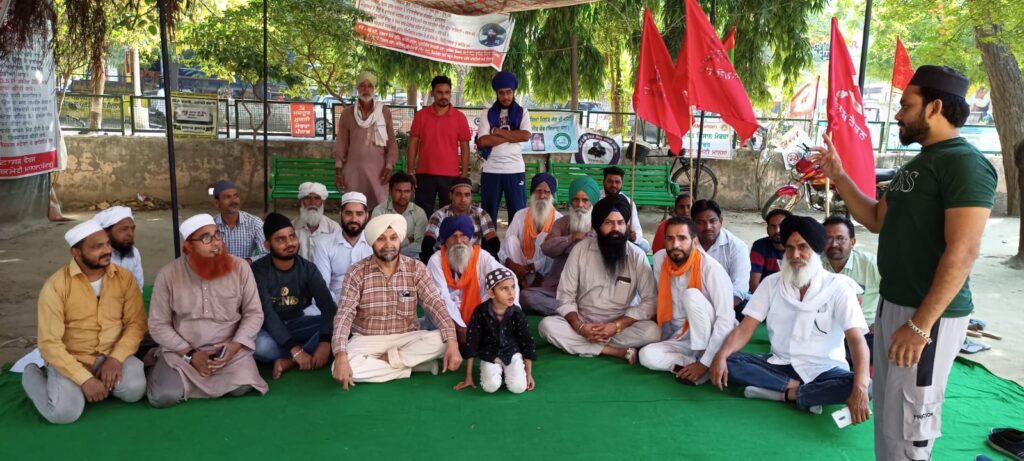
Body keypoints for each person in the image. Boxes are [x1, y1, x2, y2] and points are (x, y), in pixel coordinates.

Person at [811, 65, 997, 460]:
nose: (897, 114)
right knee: (890, 417)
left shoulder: (964, 164)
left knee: (910, 427)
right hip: (895, 306)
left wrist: (920, 326)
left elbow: (963, 252)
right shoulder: (916, 164)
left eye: (906, 105)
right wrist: (838, 174)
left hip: (927, 315)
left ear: (935, 107)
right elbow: (876, 219)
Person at [709, 216, 871, 419]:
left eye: (803, 247)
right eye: (790, 248)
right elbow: (745, 328)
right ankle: (807, 393)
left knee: (867, 386)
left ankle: (785, 394)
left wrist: (861, 387)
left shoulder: (838, 287)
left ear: (816, 250)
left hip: (825, 369)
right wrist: (722, 355)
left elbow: (857, 340)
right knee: (731, 361)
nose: (795, 255)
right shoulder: (771, 283)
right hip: (780, 364)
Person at [22, 221, 147, 424]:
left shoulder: (124, 279)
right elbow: (49, 343)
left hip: (111, 353)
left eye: (107, 244)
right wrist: (84, 379)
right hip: (72, 358)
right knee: (64, 413)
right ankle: (31, 374)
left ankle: (98, 382)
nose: (107, 250)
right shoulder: (56, 286)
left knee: (134, 390)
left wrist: (115, 359)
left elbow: (136, 324)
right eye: (97, 247)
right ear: (77, 253)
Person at [146, 214, 268, 408]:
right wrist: (190, 355)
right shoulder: (168, 275)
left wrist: (235, 345)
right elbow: (158, 324)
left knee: (242, 387)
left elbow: (254, 313)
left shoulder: (240, 268)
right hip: (183, 353)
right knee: (163, 397)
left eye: (217, 235)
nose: (216, 243)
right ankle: (158, 364)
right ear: (189, 246)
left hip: (228, 353)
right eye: (206, 238)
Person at [330, 214, 463, 389]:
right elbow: (344, 315)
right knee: (341, 367)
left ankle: (387, 363)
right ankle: (411, 367)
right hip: (367, 339)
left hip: (406, 337)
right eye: (381, 239)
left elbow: (435, 304)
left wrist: (452, 341)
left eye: (393, 238)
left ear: (399, 240)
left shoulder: (416, 269)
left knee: (443, 341)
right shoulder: (356, 272)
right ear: (372, 242)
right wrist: (340, 355)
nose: (388, 245)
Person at [538, 194, 659, 364]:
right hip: (583, 322)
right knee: (547, 326)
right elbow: (565, 296)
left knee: (653, 332)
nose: (616, 228)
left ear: (626, 225)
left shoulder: (637, 256)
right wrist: (580, 327)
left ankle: (585, 346)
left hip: (619, 327)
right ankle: (613, 351)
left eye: (620, 223)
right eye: (608, 223)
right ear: (597, 226)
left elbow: (650, 301)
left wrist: (616, 326)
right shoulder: (580, 250)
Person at [638, 217, 737, 385]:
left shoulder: (711, 268)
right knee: (646, 356)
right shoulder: (660, 259)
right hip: (680, 335)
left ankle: (705, 361)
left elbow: (726, 320)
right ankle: (694, 367)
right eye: (670, 239)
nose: (675, 245)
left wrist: (705, 360)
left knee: (691, 295)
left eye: (682, 238)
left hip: (712, 336)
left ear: (694, 241)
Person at [251, 213, 337, 380]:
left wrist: (325, 341)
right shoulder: (258, 271)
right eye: (280, 239)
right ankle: (301, 353)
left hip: (298, 323)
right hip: (269, 330)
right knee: (259, 346)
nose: (290, 243)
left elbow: (327, 305)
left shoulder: (308, 269)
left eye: (292, 236)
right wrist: (295, 349)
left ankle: (289, 361)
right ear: (267, 245)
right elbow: (267, 314)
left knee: (345, 324)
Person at [426, 215, 519, 336]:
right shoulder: (436, 260)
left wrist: (511, 311)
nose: (459, 241)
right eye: (453, 236)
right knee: (435, 306)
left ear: (469, 238)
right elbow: (440, 296)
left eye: (463, 236)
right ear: (445, 240)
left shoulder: (481, 256)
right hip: (449, 317)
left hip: (478, 313)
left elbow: (507, 276)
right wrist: (460, 326)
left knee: (502, 288)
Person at [520, 176, 599, 316]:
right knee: (525, 297)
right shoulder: (563, 222)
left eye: (585, 200)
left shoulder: (600, 225)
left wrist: (563, 247)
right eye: (576, 200)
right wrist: (571, 238)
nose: (580, 205)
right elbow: (546, 248)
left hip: (588, 289)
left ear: (592, 202)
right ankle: (574, 311)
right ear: (571, 201)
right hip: (557, 288)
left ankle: (570, 309)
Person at [455, 268, 537, 394]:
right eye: (504, 289)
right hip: (489, 355)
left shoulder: (517, 313)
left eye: (513, 287)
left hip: (512, 353)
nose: (511, 293)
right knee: (490, 387)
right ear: (491, 293)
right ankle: (495, 370)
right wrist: (468, 376)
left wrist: (529, 374)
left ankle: (511, 369)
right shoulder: (480, 312)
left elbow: (527, 343)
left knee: (519, 388)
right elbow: (472, 343)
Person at [333, 71, 399, 212]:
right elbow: (341, 144)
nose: (366, 89)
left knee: (378, 210)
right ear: (357, 88)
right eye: (362, 86)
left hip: (378, 172)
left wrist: (389, 166)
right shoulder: (347, 113)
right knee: (354, 209)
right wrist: (338, 172)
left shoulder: (384, 112)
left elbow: (391, 142)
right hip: (354, 172)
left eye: (369, 86)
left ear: (374, 89)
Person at [408, 75, 472, 216]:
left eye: (447, 92)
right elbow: (413, 143)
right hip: (424, 174)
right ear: (432, 93)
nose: (444, 96)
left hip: (451, 176)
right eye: (439, 92)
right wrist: (410, 171)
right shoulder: (421, 115)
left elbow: (465, 147)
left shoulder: (460, 117)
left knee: (449, 216)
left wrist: (463, 175)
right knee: (422, 215)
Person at [476, 71, 532, 223]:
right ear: (497, 93)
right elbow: (482, 142)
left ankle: (515, 241)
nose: (505, 96)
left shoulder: (522, 112)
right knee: (487, 217)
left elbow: (525, 135)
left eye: (509, 92)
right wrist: (512, 134)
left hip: (515, 169)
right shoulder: (487, 113)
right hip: (491, 169)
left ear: (514, 92)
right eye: (501, 93)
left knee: (518, 216)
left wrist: (498, 131)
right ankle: (489, 241)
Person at [498, 172, 561, 288]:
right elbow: (505, 246)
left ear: (552, 194)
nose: (542, 196)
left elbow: (556, 255)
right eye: (538, 191)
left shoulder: (559, 219)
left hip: (543, 273)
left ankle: (536, 284)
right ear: (532, 192)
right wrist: (510, 263)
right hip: (519, 268)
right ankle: (520, 282)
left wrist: (532, 267)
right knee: (510, 240)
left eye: (546, 192)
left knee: (545, 238)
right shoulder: (520, 215)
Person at [313, 192, 373, 303]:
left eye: (359, 214)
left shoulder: (375, 243)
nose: (354, 219)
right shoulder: (324, 244)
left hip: (369, 304)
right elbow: (322, 286)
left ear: (366, 216)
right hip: (334, 303)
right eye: (348, 213)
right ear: (340, 214)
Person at [421, 177, 500, 262]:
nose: (463, 199)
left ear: (471, 196)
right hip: (445, 258)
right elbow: (428, 240)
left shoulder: (481, 214)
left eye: (467, 195)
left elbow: (492, 239)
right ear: (451, 196)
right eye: (458, 195)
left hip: (472, 259)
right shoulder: (439, 215)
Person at [691, 199, 750, 310]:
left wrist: (718, 312)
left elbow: (739, 289)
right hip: (693, 302)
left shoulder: (737, 247)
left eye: (712, 221)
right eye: (701, 222)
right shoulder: (686, 244)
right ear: (693, 224)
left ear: (721, 221)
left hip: (727, 303)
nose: (708, 227)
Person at [371, 172, 428, 260]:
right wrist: (409, 241)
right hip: (384, 260)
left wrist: (393, 251)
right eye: (398, 191)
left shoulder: (419, 213)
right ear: (390, 191)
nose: (403, 196)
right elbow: (377, 241)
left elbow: (420, 244)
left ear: (412, 192)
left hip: (411, 260)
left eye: (407, 191)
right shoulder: (380, 211)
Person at [211, 179, 267, 262]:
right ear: (217, 203)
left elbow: (266, 252)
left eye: (236, 196)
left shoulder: (254, 223)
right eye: (227, 197)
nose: (234, 201)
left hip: (247, 268)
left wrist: (248, 262)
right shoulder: (211, 226)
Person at [601, 166, 651, 253]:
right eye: (610, 181)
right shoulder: (595, 199)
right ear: (604, 182)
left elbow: (637, 230)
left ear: (622, 184)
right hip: (601, 239)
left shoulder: (629, 202)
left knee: (644, 246)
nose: (614, 185)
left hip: (621, 240)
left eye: (617, 182)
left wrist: (633, 236)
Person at [92, 205, 144, 289]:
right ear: (106, 231)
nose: (131, 234)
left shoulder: (134, 252)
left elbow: (138, 287)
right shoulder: (94, 257)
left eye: (132, 229)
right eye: (124, 229)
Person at [292, 181, 341, 261]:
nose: (312, 203)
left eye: (317, 198)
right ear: (301, 202)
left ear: (323, 202)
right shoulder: (292, 227)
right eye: (307, 198)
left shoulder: (333, 228)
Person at [749, 209, 792, 293]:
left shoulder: (800, 248)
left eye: (781, 226)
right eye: (773, 226)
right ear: (767, 229)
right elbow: (754, 284)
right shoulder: (759, 246)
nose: (777, 230)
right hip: (766, 295)